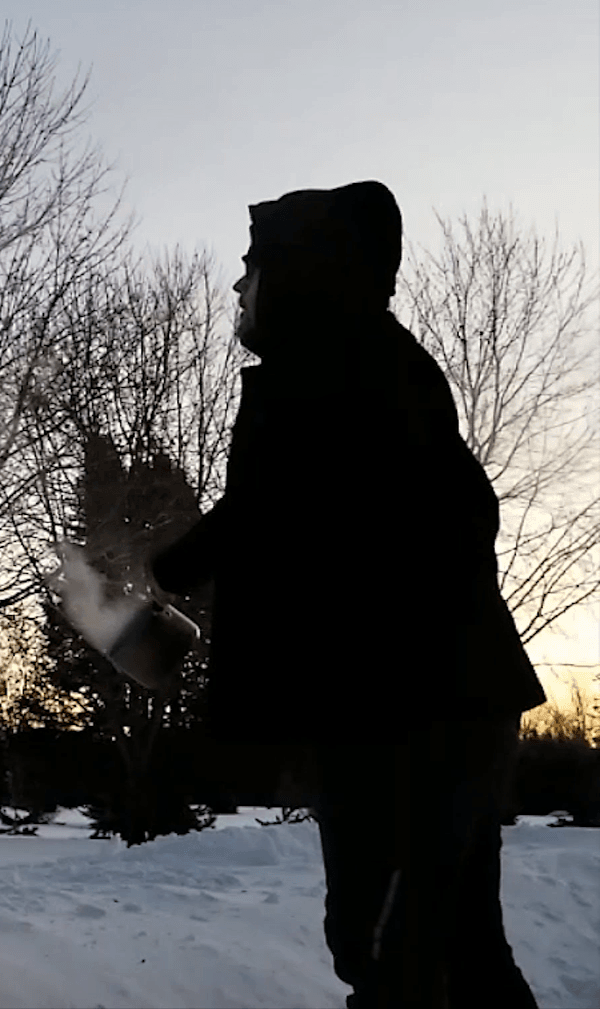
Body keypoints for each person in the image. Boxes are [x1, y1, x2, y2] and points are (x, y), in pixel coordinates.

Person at [149, 180, 546, 1008]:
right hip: (438, 705)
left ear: (302, 271)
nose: (237, 285)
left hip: (412, 713)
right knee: (462, 951)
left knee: (383, 948)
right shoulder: (365, 363)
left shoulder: (339, 367)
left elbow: (265, 512)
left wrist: (159, 578)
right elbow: (283, 513)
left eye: (251, 265)